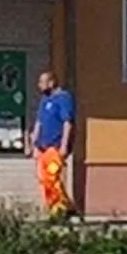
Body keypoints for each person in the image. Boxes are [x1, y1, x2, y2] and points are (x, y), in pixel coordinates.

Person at [31, 68, 74, 214]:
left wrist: (64, 146)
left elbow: (67, 122)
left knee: (52, 177)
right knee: (44, 180)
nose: (39, 85)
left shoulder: (63, 98)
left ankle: (60, 209)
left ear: (51, 82)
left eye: (42, 82)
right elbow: (39, 123)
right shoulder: (45, 100)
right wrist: (34, 145)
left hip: (54, 147)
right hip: (42, 147)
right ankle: (58, 207)